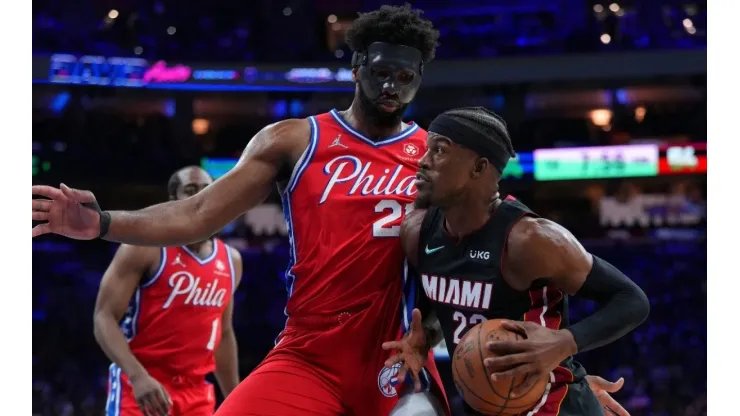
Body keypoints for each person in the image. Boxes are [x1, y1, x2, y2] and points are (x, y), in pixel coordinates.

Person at [31, 5, 625, 415]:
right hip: (308, 353)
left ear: (419, 81)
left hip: (398, 359)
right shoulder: (293, 140)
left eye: (406, 76)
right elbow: (198, 214)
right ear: (356, 66)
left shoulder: (434, 157)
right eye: (381, 71)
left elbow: (490, 258)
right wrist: (102, 222)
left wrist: (556, 379)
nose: (392, 85)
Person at [384, 107, 650, 415]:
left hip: (553, 404)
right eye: (427, 150)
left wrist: (565, 342)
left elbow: (632, 300)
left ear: (479, 167)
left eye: (439, 151)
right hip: (486, 402)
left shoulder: (529, 239)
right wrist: (426, 336)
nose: (424, 161)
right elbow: (453, 307)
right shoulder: (417, 232)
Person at [93, 166, 242, 416]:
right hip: (143, 386)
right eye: (191, 190)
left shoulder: (231, 260)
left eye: (207, 191)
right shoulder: (144, 246)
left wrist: (236, 399)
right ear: (173, 201)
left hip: (197, 394)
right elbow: (103, 317)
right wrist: (138, 376)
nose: (200, 198)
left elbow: (223, 334)